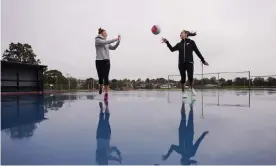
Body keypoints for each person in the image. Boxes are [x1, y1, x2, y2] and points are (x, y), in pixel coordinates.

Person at [161, 30, 209, 98]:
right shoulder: (179, 44)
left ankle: (191, 88)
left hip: (190, 63)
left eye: (182, 33)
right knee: (183, 79)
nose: (180, 34)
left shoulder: (191, 42)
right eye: (180, 33)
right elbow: (172, 49)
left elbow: (197, 51)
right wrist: (167, 42)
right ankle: (183, 92)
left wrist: (203, 60)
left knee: (190, 78)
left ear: (186, 34)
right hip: (181, 64)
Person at [162, 100, 209, 165]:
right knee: (189, 117)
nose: (181, 160)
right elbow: (197, 143)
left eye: (182, 162)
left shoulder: (181, 151)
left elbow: (172, 146)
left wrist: (167, 155)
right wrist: (203, 135)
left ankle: (184, 102)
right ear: (186, 161)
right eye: (182, 161)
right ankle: (190, 106)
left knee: (184, 117)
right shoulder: (190, 153)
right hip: (188, 132)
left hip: (183, 131)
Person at [95, 28, 121, 100]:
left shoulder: (106, 43)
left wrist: (118, 42)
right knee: (101, 77)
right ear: (101, 33)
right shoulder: (97, 40)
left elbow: (113, 48)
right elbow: (105, 42)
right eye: (105, 33)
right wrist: (116, 39)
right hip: (99, 61)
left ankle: (106, 94)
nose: (106, 34)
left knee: (106, 77)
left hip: (106, 61)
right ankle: (100, 86)